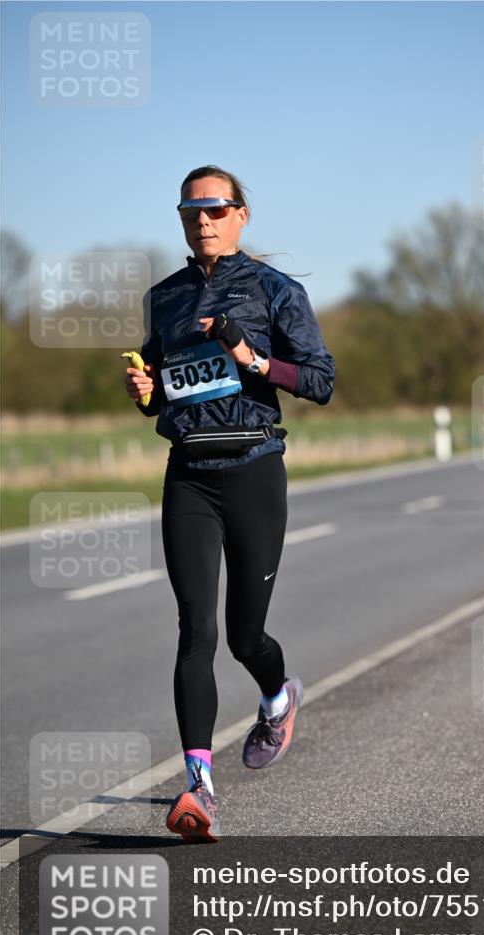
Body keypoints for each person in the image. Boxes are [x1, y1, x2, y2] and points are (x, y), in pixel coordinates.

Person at [124, 165, 335, 841]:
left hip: (252, 469)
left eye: (215, 209)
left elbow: (321, 382)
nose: (203, 220)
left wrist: (252, 359)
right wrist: (145, 391)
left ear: (241, 214)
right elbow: (166, 389)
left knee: (245, 635)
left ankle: (278, 696)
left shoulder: (277, 291)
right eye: (190, 211)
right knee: (196, 630)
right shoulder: (166, 297)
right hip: (187, 472)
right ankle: (199, 790)